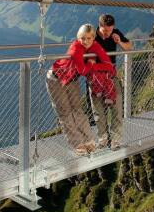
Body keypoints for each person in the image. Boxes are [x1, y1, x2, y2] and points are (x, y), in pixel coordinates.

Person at [46, 24, 116, 155]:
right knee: (65, 112)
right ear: (79, 37)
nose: (86, 41)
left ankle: (88, 140)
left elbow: (109, 66)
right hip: (56, 78)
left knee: (77, 109)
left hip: (72, 79)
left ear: (93, 38)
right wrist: (91, 62)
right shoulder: (76, 48)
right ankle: (77, 143)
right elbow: (82, 70)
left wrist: (94, 65)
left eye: (89, 38)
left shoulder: (95, 46)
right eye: (83, 38)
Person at [89, 14, 132, 150]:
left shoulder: (115, 33)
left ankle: (115, 140)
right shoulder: (91, 35)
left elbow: (129, 47)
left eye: (110, 30)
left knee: (117, 108)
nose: (108, 33)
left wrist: (119, 41)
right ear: (99, 26)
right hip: (95, 77)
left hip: (111, 75)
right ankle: (103, 138)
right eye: (105, 31)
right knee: (98, 111)